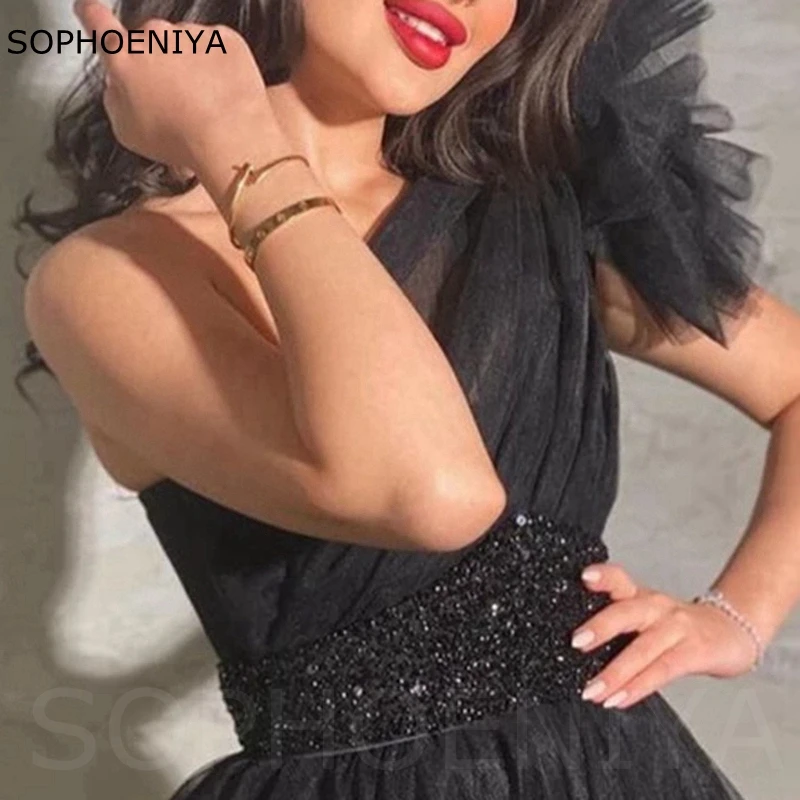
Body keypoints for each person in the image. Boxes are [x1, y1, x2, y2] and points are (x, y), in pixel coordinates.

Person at [15, 0, 800, 797]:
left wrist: (737, 617)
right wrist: (234, 142)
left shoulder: (532, 221)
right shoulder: (108, 281)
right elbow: (435, 493)